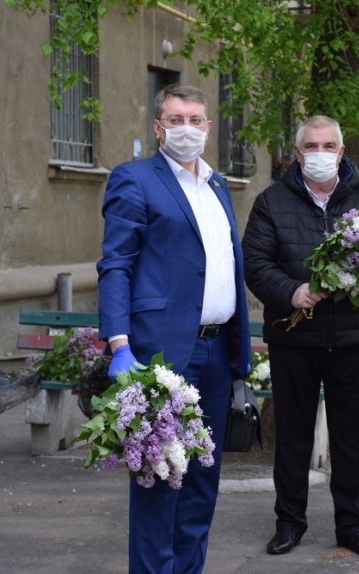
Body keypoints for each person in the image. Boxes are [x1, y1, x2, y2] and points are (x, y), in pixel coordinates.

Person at [97, 84, 251, 573]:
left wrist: (240, 351)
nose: (187, 127)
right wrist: (119, 343)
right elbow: (116, 264)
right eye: (175, 118)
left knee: (202, 483)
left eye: (196, 118)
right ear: (158, 127)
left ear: (208, 127)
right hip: (161, 356)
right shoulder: (135, 179)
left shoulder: (218, 185)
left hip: (217, 353)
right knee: (158, 483)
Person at [241, 115, 359, 559]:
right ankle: (289, 523)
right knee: (293, 436)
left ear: (341, 153)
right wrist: (293, 292)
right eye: (310, 146)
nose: (319, 154)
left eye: (328, 146)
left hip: (353, 338)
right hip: (295, 339)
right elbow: (255, 263)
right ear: (297, 151)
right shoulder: (272, 202)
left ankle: (352, 525)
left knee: (352, 437)